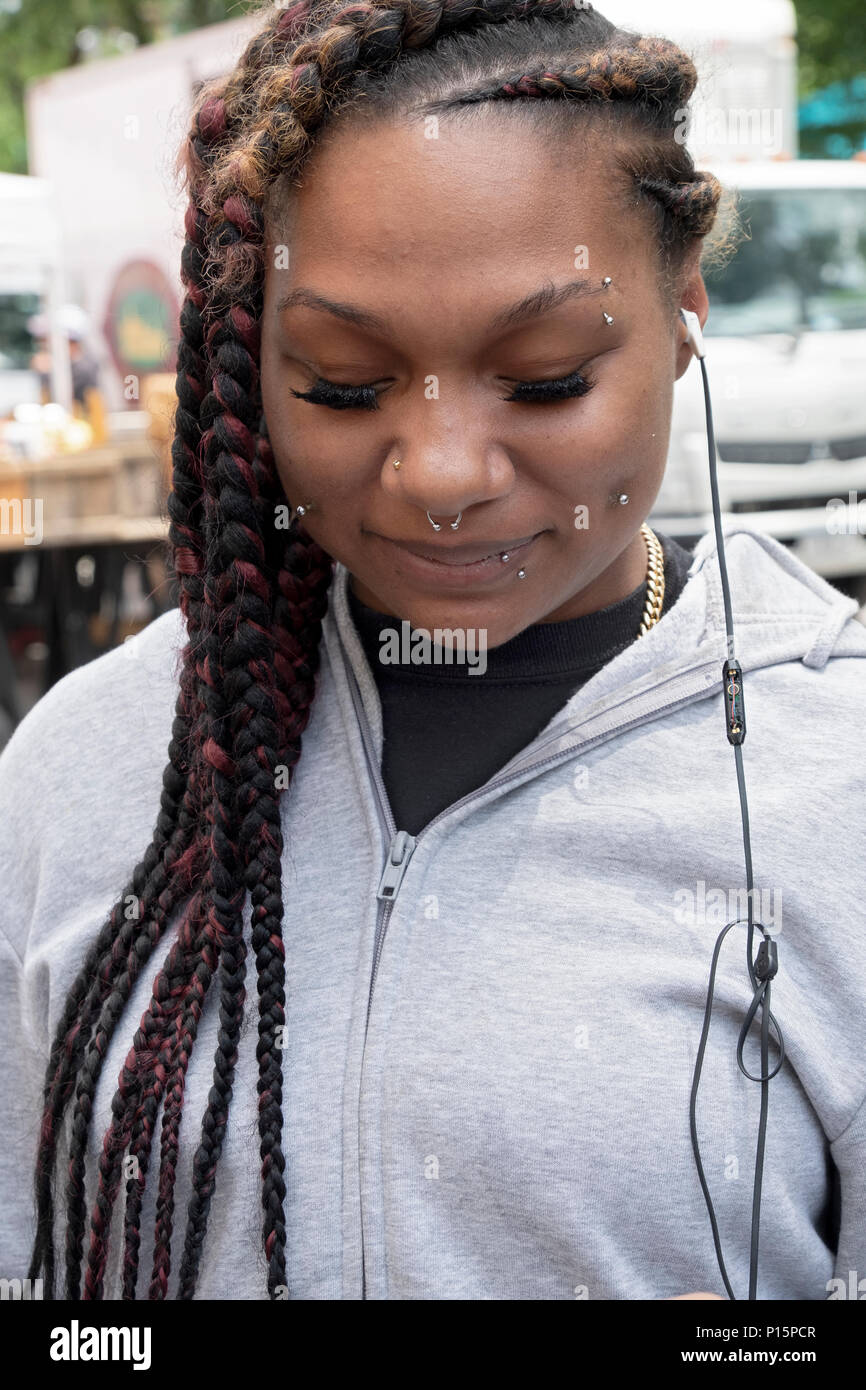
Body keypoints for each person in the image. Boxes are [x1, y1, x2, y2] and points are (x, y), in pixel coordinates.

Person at [0, 0, 864, 1303]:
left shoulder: (834, 777)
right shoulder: (88, 769)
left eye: (546, 373)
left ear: (684, 309)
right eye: (343, 382)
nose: (443, 474)